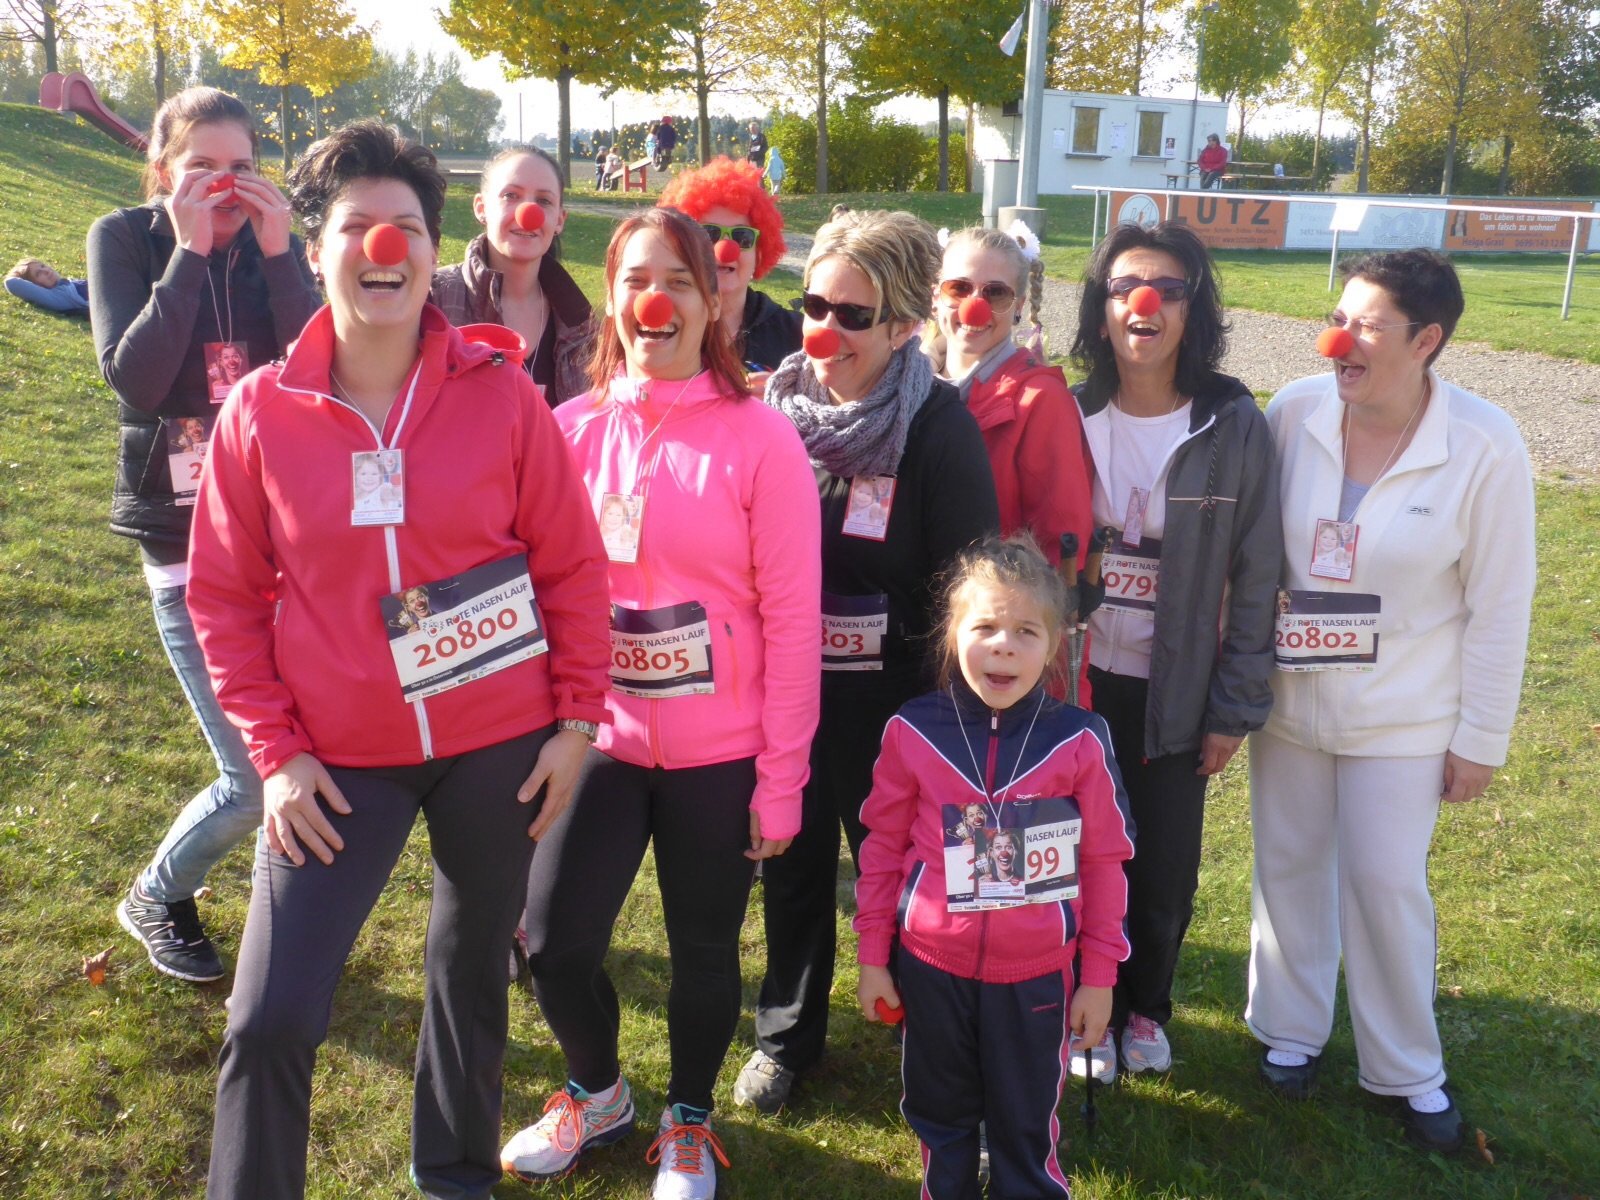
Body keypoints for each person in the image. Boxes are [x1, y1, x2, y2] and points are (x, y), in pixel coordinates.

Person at [186, 119, 612, 1200]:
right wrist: (276, 757)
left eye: (408, 228)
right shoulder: (260, 415)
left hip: (497, 744)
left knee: (471, 978)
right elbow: (225, 602)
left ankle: (456, 1177)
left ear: (433, 250)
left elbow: (570, 567)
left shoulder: (503, 393)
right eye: (358, 227)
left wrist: (574, 724)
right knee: (270, 1015)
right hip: (336, 758)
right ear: (315, 247)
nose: (386, 248)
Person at [501, 206, 821, 1200]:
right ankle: (596, 1093)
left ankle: (688, 1118)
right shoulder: (568, 430)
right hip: (598, 738)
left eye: (680, 280)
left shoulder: (761, 439)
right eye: (639, 277)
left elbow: (795, 622)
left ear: (712, 301)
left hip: (720, 753)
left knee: (701, 954)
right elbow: (537, 588)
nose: (658, 298)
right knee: (552, 945)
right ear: (614, 297)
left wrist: (781, 782)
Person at [1247, 249, 1536, 1153]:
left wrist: (1481, 735)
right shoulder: (1293, 412)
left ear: (1428, 341)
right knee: (1288, 867)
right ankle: (1290, 1035)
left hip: (1406, 717)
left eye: (1369, 325)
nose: (1343, 339)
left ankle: (1407, 1070)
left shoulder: (1485, 445)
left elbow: (1501, 605)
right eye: (1341, 316)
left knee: (1383, 885)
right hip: (1292, 703)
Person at [736, 208, 1000, 1113]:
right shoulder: (770, 413)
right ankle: (787, 1037)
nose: (827, 330)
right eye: (815, 304)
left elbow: (971, 589)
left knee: (914, 879)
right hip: (791, 702)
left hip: (899, 707)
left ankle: (935, 1034)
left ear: (901, 326)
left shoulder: (938, 430)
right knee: (797, 868)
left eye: (855, 315)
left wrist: (958, 719)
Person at [87, 86, 320, 984]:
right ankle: (158, 888)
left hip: (279, 535)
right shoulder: (125, 240)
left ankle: (286, 898)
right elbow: (136, 381)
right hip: (183, 543)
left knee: (300, 740)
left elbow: (317, 374)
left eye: (243, 170)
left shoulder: (274, 254)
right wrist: (187, 255)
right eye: (202, 170)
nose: (224, 188)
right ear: (161, 172)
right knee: (251, 771)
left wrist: (279, 254)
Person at [854, 534, 1134, 1200]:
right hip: (932, 970)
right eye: (984, 627)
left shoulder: (1081, 741)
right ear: (952, 635)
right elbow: (881, 848)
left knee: (1023, 1124)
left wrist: (1098, 978)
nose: (1003, 644)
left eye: (1025, 630)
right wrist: (873, 954)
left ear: (1055, 641)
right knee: (940, 1114)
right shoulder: (912, 731)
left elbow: (1105, 861)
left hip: (1036, 977)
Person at [1068, 220, 1282, 1082]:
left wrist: (1233, 708)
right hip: (1078, 683)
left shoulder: (1232, 423)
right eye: (1123, 287)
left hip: (1177, 691)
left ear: (1193, 308)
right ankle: (1090, 1009)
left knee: (1160, 873)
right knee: (1079, 856)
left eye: (1167, 287)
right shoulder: (1069, 409)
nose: (1143, 302)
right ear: (1103, 306)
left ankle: (1146, 1009)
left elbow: (1258, 571)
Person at [924, 224, 1094, 698]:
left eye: (995, 293)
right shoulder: (907, 385)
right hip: (921, 639)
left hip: (996, 661)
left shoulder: (1040, 401)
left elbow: (1063, 551)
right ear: (935, 295)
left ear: (1018, 306)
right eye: (959, 288)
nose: (973, 306)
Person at [431, 145, 593, 406]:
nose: (528, 214)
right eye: (511, 195)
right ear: (481, 208)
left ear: (560, 220)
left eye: (544, 201)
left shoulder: (583, 326)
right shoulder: (433, 300)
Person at [658, 157, 801, 380]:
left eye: (742, 236)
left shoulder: (794, 334)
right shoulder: (661, 330)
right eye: (708, 234)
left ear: (760, 252)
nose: (725, 249)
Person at [6, 257, 89, 313]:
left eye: (43, 266)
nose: (46, 270)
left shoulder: (69, 283)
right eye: (38, 273)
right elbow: (11, 283)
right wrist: (17, 272)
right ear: (35, 286)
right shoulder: (58, 297)